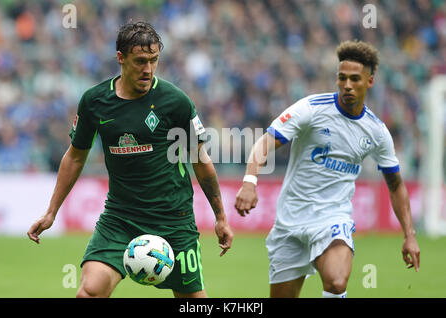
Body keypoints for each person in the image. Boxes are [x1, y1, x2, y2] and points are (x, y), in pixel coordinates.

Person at [27, 21, 233, 298]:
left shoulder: (176, 102)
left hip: (173, 219)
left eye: (154, 60)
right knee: (88, 293)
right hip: (120, 219)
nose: (148, 69)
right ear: (120, 58)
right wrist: (52, 211)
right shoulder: (95, 101)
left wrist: (220, 217)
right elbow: (75, 157)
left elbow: (200, 160)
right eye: (140, 61)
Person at [234, 40, 420, 298]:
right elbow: (265, 142)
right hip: (290, 221)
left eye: (355, 79)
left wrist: (409, 235)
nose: (347, 85)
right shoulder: (311, 108)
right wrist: (249, 181)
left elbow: (396, 184)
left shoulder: (377, 132)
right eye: (342, 78)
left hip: (332, 218)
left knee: (336, 281)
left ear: (370, 81)